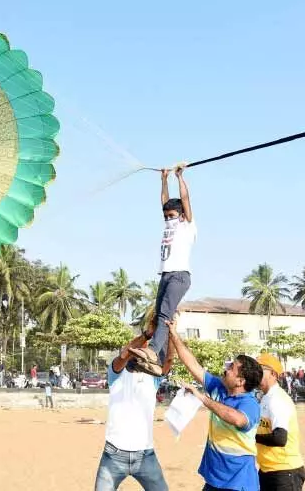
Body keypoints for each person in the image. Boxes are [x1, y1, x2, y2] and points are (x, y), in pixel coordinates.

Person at [166, 318, 263, 491]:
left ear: (240, 381)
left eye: (231, 368)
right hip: (214, 479)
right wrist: (173, 334)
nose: (225, 370)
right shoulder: (218, 387)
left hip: (238, 481)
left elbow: (237, 419)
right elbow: (192, 364)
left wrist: (203, 398)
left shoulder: (250, 404)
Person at [94, 318, 176, 491]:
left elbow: (168, 362)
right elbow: (125, 353)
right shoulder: (116, 374)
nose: (142, 354)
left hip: (145, 455)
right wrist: (148, 334)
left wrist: (170, 335)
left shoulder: (152, 378)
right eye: (139, 351)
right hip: (113, 454)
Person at [130, 166, 196, 376]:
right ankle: (157, 361)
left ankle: (152, 351)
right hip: (166, 275)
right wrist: (164, 180)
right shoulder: (169, 223)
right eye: (166, 215)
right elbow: (164, 201)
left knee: (166, 314)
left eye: (172, 215)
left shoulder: (187, 225)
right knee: (158, 317)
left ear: (182, 214)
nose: (168, 218)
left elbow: (185, 198)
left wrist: (180, 176)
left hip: (179, 275)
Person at [255, 354, 305, 491]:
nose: (255, 374)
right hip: (268, 469)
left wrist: (252, 436)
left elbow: (280, 438)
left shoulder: (277, 399)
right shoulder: (265, 398)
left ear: (273, 373)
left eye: (260, 370)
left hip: (284, 470)